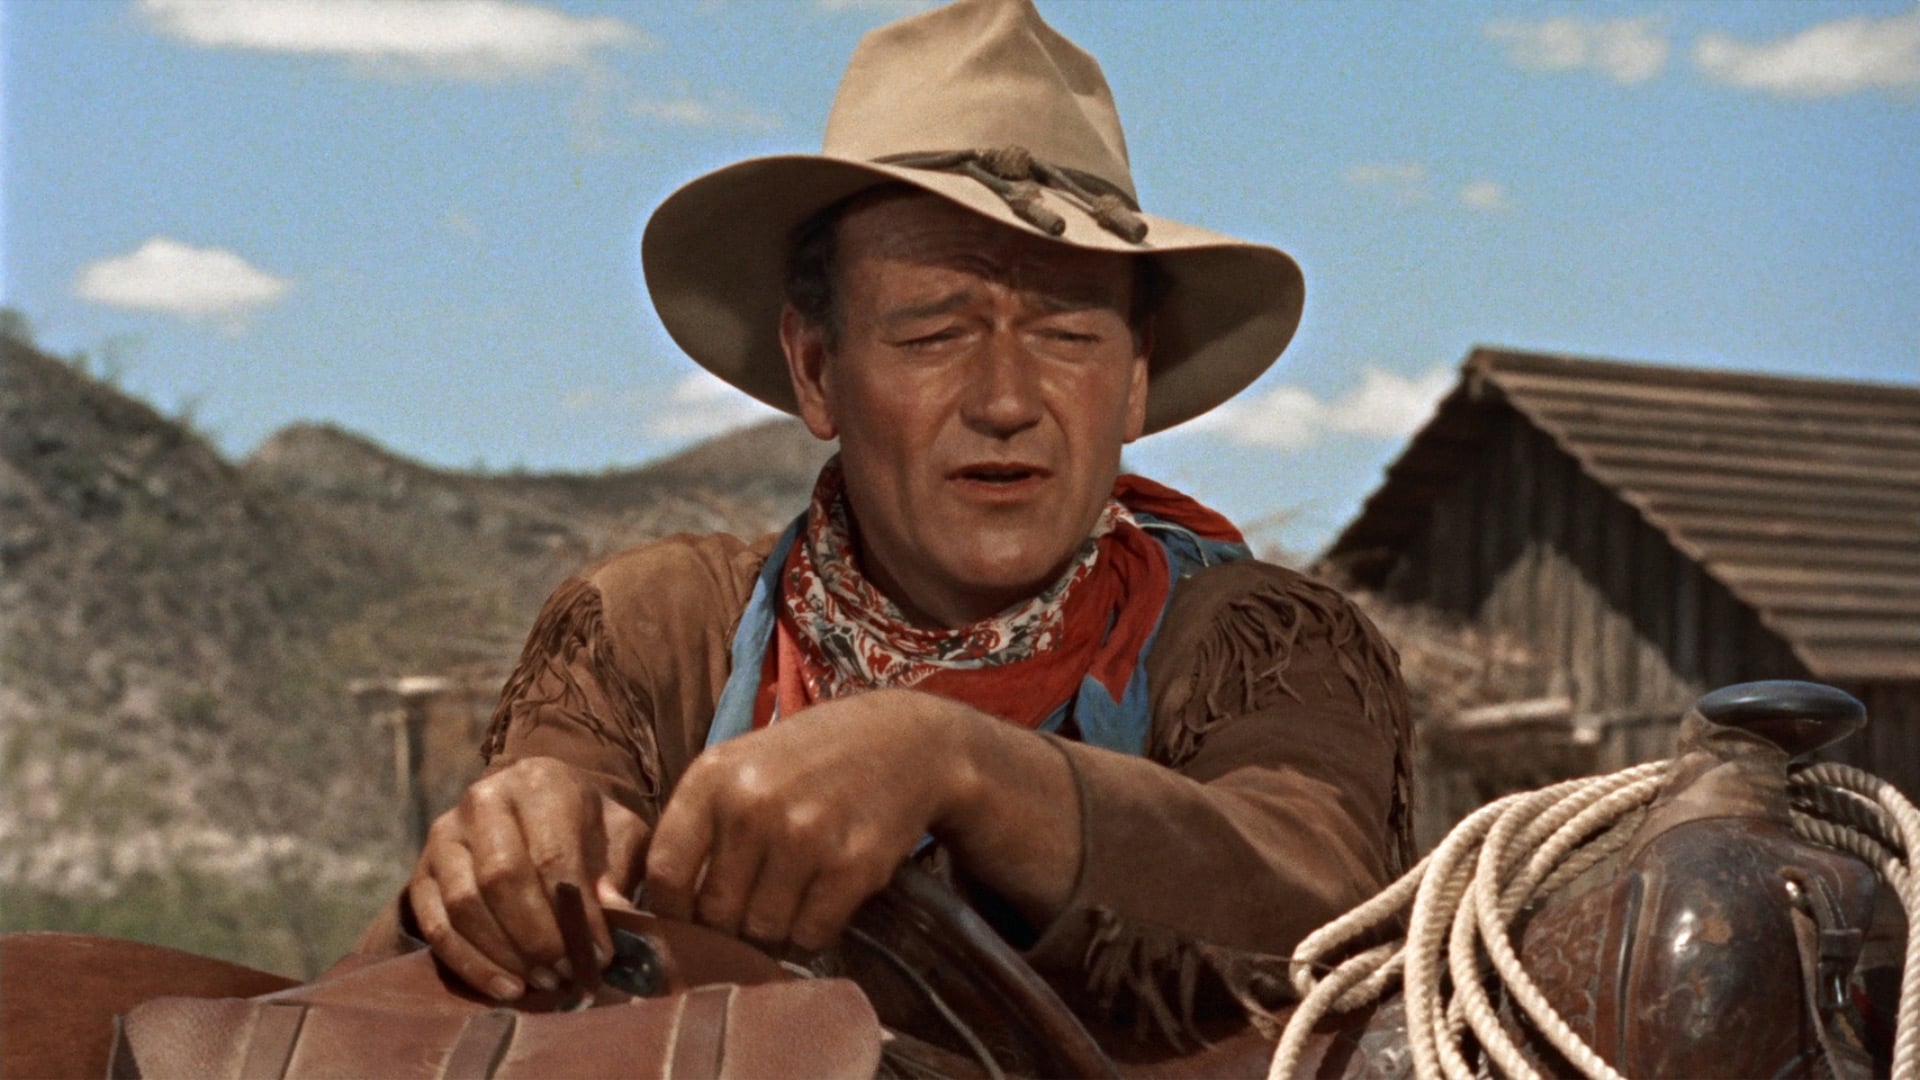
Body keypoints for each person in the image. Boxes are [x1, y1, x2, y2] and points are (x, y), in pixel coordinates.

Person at [359, 0, 1410, 1052]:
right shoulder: (656, 628)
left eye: (1066, 334)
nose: (1006, 400)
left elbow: (1321, 902)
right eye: (933, 334)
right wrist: (516, 852)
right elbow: (537, 848)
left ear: (1134, 380)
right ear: (818, 371)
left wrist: (959, 764)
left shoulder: (1260, 643)